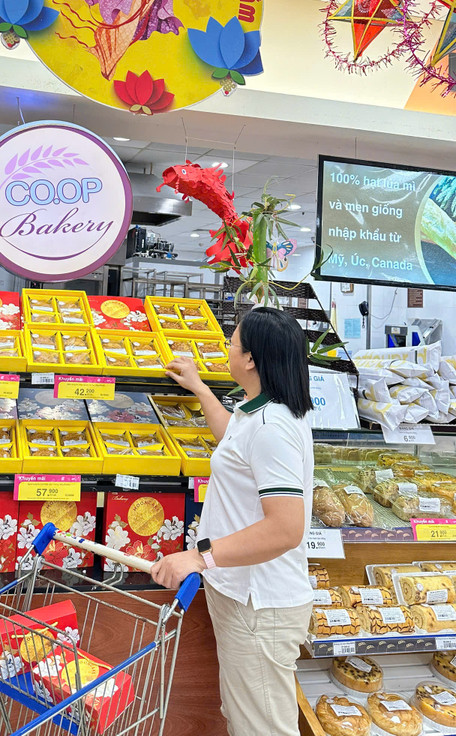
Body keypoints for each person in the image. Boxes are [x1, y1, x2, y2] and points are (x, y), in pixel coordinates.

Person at [151, 307, 313, 736]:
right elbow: (233, 444)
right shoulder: (258, 410)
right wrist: (201, 389)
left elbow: (285, 528)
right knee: (243, 716)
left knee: (261, 728)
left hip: (259, 605)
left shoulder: (272, 427)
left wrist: (201, 556)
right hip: (243, 594)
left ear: (252, 359)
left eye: (233, 342)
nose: (227, 348)